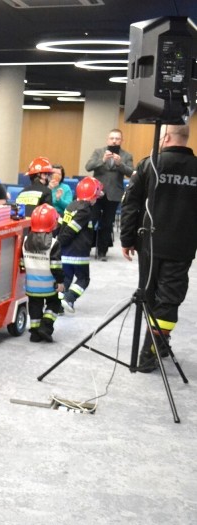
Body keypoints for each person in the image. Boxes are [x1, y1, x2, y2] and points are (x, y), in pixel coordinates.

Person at [121, 123, 197, 372]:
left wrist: (126, 239)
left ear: (164, 137)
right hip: (182, 246)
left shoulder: (149, 164)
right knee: (169, 299)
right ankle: (156, 348)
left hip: (149, 244)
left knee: (149, 295)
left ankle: (149, 351)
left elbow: (131, 202)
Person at [86, 128, 134, 261]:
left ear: (121, 140)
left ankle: (102, 251)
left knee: (107, 224)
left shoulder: (126, 155)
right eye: (112, 138)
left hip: (114, 194)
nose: (114, 141)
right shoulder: (98, 152)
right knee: (91, 221)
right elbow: (88, 167)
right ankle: (86, 248)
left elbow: (131, 173)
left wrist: (120, 164)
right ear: (107, 139)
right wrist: (102, 160)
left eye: (117, 138)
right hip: (96, 194)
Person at [58, 177, 102, 314]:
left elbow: (61, 225)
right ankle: (70, 298)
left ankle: (58, 305)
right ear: (92, 196)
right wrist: (59, 242)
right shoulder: (85, 210)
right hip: (78, 253)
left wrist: (58, 245)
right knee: (83, 279)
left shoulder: (70, 206)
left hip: (64, 253)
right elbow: (71, 230)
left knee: (66, 278)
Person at [21, 203, 64, 343]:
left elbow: (22, 263)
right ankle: (45, 326)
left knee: (34, 307)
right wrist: (60, 281)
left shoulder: (25, 241)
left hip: (31, 286)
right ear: (53, 224)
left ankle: (34, 333)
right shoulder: (54, 244)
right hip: (49, 286)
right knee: (55, 304)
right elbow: (56, 266)